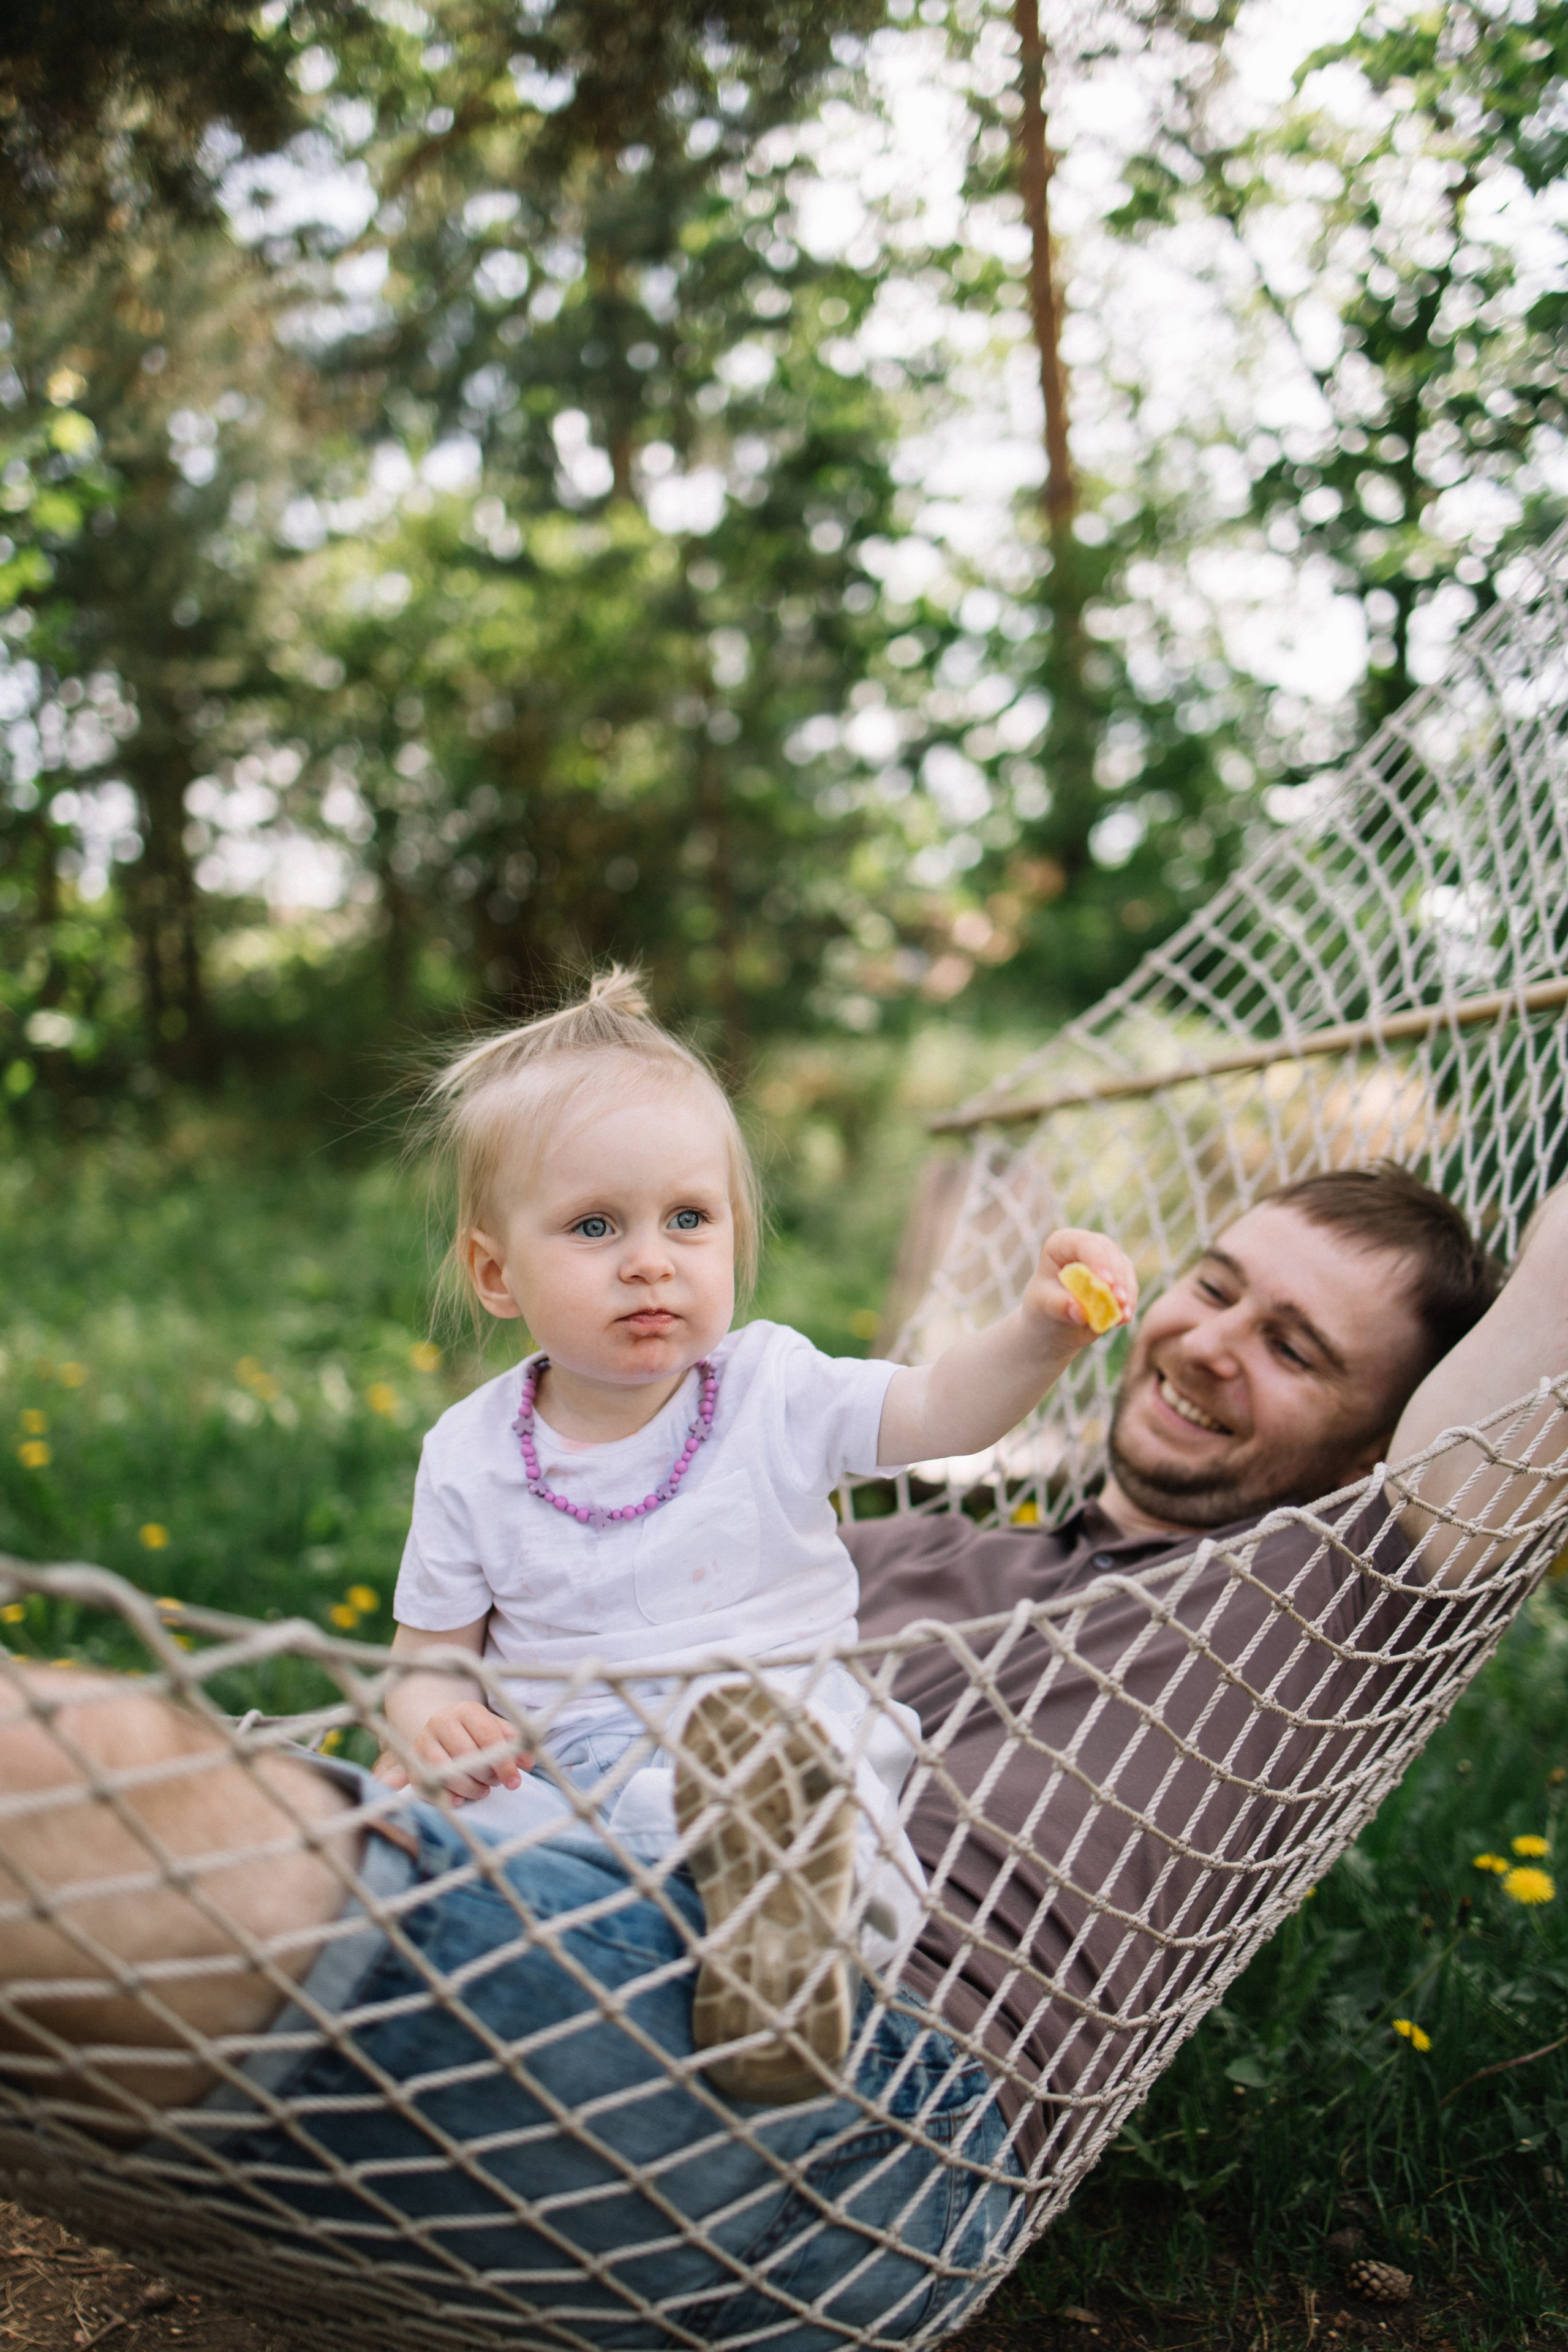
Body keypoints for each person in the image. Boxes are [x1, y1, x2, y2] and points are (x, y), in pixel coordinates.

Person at [0, 1166, 1564, 2352]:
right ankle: (651, 1859)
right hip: (582, 1893)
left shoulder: (1340, 1597)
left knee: (83, 1780)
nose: (1210, 1345)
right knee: (129, 1763)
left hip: (877, 2125)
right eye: (1211, 1287)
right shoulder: (908, 1550)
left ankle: (783, 1918)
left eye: (1291, 1346)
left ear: (1382, 1447)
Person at [373, 967, 1135, 2101]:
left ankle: (789, 1955)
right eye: (595, 1226)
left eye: (689, 1219)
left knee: (844, 1831)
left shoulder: (774, 1386)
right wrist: (436, 1725)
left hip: (784, 1739)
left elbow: (938, 1411)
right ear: (496, 1272)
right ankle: (539, 1973)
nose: (651, 1259)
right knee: (401, 1818)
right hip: (567, 1766)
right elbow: (427, 1663)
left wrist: (1036, 1334)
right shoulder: (472, 1454)